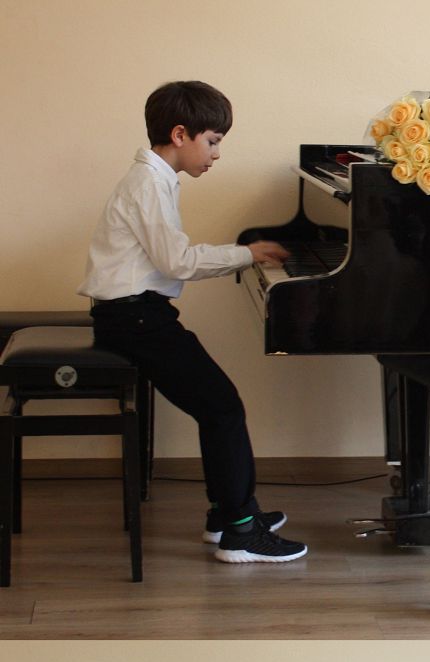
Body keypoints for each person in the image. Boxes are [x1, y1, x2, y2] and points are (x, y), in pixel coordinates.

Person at [78, 80, 308, 564]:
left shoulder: (155, 178)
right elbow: (178, 261)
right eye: (213, 141)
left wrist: (245, 254)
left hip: (138, 314)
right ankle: (240, 532)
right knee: (223, 407)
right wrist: (247, 253)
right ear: (180, 134)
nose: (217, 153)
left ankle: (227, 514)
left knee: (216, 405)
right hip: (133, 318)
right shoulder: (148, 183)